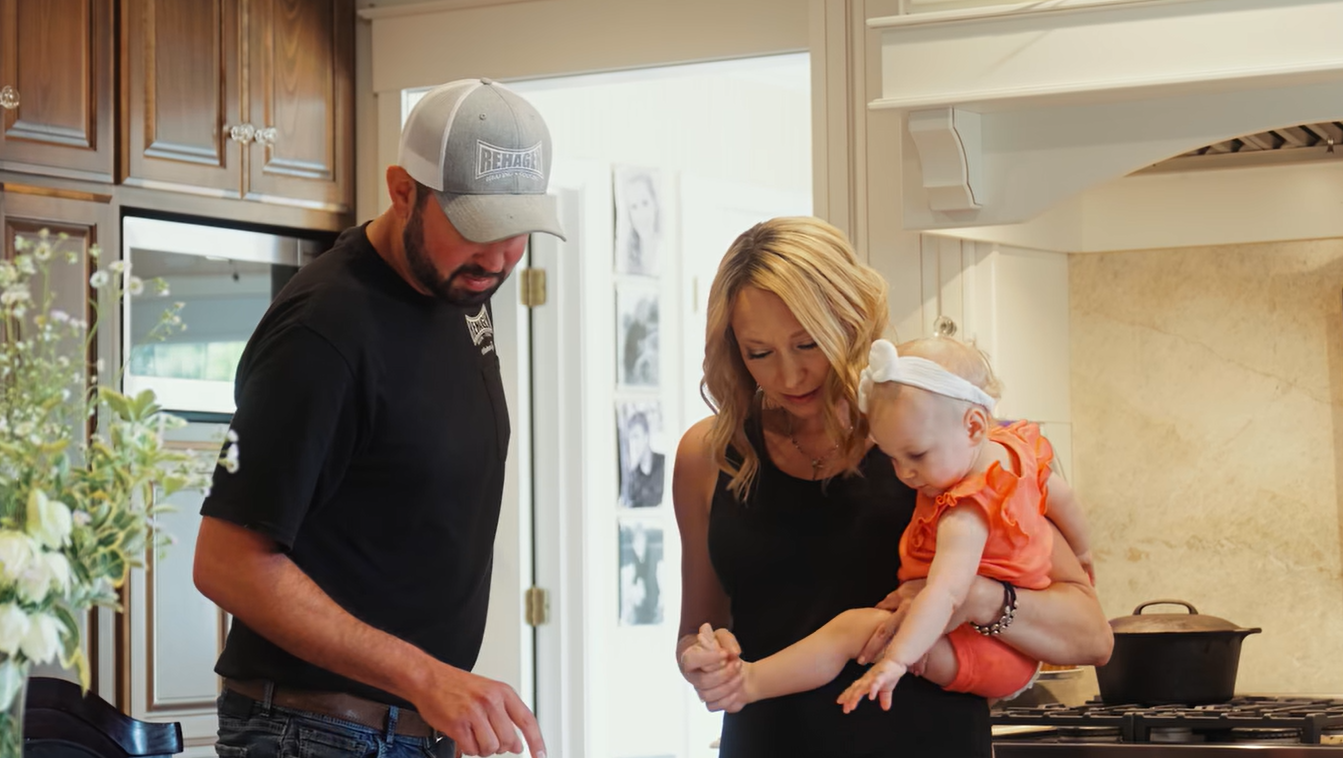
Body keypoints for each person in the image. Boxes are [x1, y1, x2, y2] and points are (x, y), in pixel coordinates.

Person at [192, 79, 564, 758]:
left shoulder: (461, 290)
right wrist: (425, 677)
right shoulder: (323, 329)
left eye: (516, 230)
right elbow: (226, 563)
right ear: (402, 191)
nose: (497, 257)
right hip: (312, 734)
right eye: (475, 227)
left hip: (409, 731)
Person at [672, 216, 1113, 757]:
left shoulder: (933, 437)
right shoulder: (710, 455)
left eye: (807, 343)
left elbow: (1091, 636)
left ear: (852, 320)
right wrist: (703, 658)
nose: (788, 376)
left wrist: (977, 597)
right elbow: (697, 628)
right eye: (759, 353)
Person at [697, 335, 1095, 717]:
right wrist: (1083, 552)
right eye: (891, 457)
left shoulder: (964, 513)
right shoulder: (1013, 452)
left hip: (980, 657)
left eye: (916, 455)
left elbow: (946, 594)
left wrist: (897, 660)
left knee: (857, 628)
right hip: (991, 653)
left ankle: (750, 683)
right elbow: (1061, 497)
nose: (905, 473)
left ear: (974, 427)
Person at [621, 409, 666, 507]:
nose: (633, 444)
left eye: (636, 437)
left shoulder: (664, 464)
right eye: (631, 439)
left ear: (646, 437)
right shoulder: (633, 477)